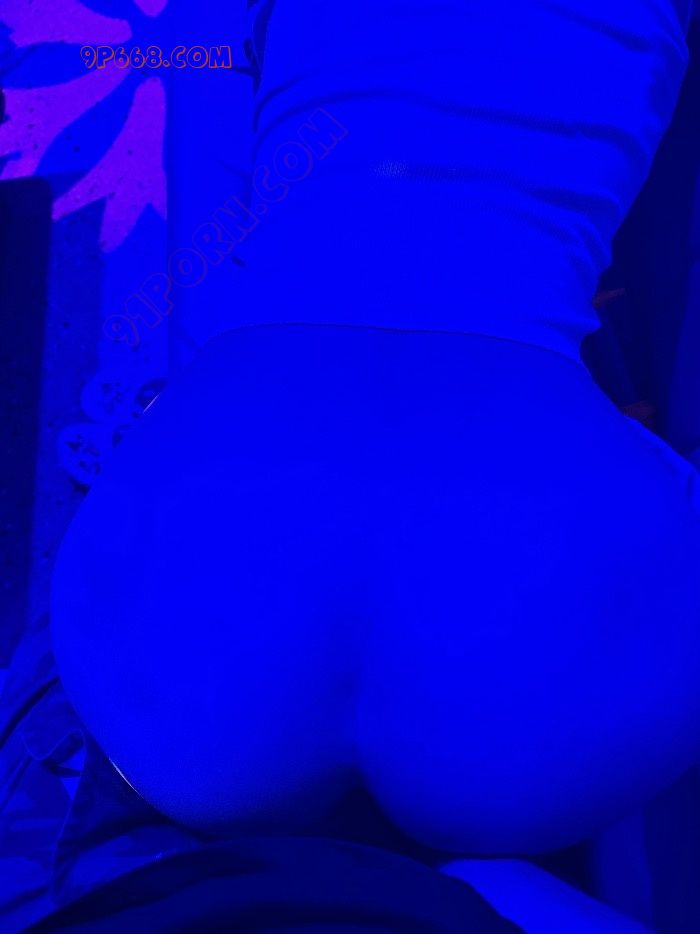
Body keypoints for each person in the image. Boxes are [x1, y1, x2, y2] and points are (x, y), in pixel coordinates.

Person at [50, 1, 699, 928]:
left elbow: (200, 130)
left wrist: (209, 403)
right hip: (538, 644)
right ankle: (497, 891)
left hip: (194, 631)